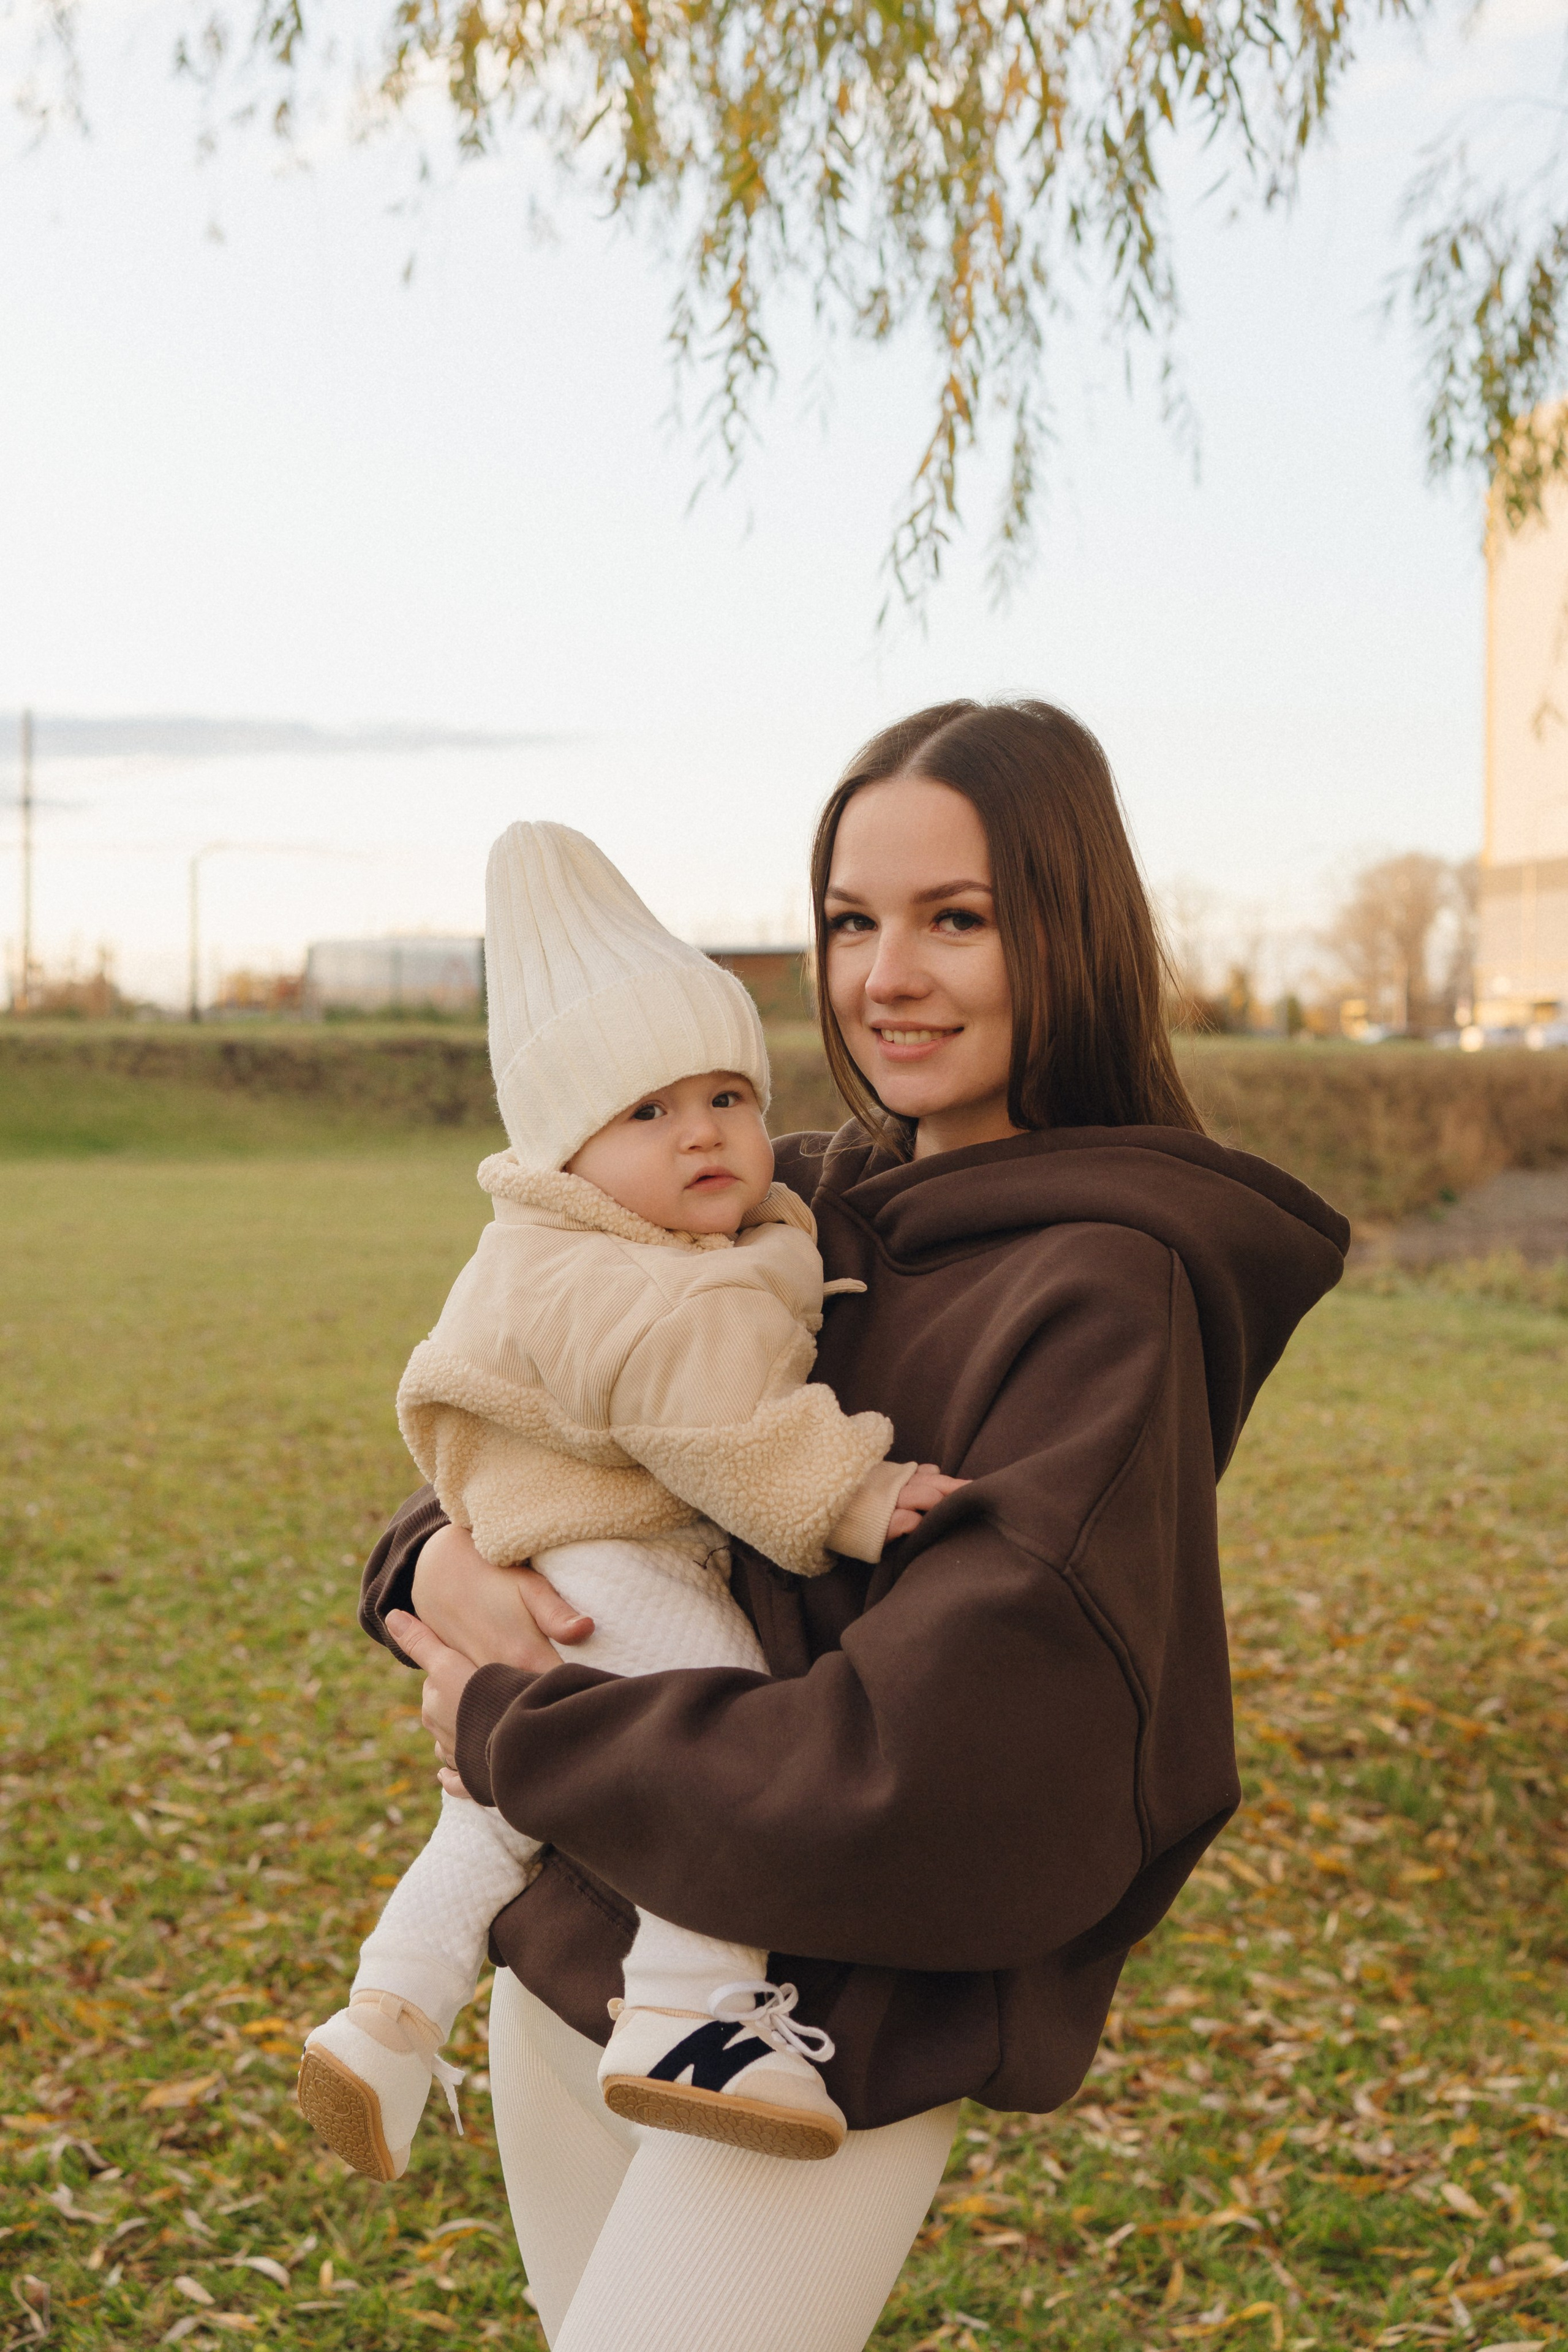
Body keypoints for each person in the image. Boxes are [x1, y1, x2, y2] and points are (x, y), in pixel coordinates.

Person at [363, 699, 1351, 2352]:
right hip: (578, 1947)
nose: (887, 975)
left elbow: (931, 1757)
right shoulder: (779, 1188)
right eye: (850, 921)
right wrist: (428, 1559)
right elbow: (543, 1391)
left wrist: (511, 1722)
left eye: (955, 919)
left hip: (813, 2032)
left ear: (1072, 933)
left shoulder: (1108, 1293)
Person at [299, 821, 962, 2182]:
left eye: (723, 1095)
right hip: (612, 1573)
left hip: (541, 1560)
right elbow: (712, 1426)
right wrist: (852, 1488)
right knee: (723, 1726)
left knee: (492, 1813)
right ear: (565, 1150)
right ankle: (688, 2008)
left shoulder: (598, 1242)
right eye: (646, 1114)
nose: (704, 1134)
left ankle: (383, 2019)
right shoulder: (617, 1279)